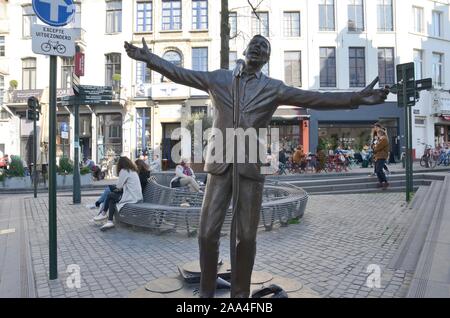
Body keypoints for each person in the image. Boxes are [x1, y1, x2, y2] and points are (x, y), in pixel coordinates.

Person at [125, 35, 388, 298]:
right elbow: (181, 73)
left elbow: (312, 98)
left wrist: (356, 98)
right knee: (206, 234)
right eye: (256, 43)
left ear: (266, 59)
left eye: (265, 47)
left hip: (251, 168)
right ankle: (206, 294)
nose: (259, 47)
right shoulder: (220, 79)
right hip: (220, 166)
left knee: (247, 238)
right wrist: (151, 59)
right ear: (247, 49)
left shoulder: (273, 88)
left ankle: (240, 296)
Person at [93, 157, 143, 231]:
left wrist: (116, 189)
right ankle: (109, 220)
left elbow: (119, 186)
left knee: (110, 195)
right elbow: (121, 186)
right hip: (136, 196)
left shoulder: (124, 171)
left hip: (132, 197)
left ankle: (103, 214)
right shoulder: (133, 171)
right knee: (112, 197)